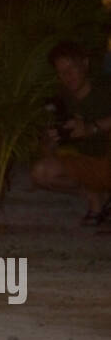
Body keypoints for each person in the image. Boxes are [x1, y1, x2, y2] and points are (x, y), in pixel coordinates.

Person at [31, 40, 111, 226]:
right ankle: (96, 199)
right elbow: (48, 143)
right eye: (61, 72)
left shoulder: (105, 88)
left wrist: (92, 127)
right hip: (89, 162)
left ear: (85, 64)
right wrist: (51, 139)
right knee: (41, 172)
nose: (67, 76)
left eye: (71, 68)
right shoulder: (61, 98)